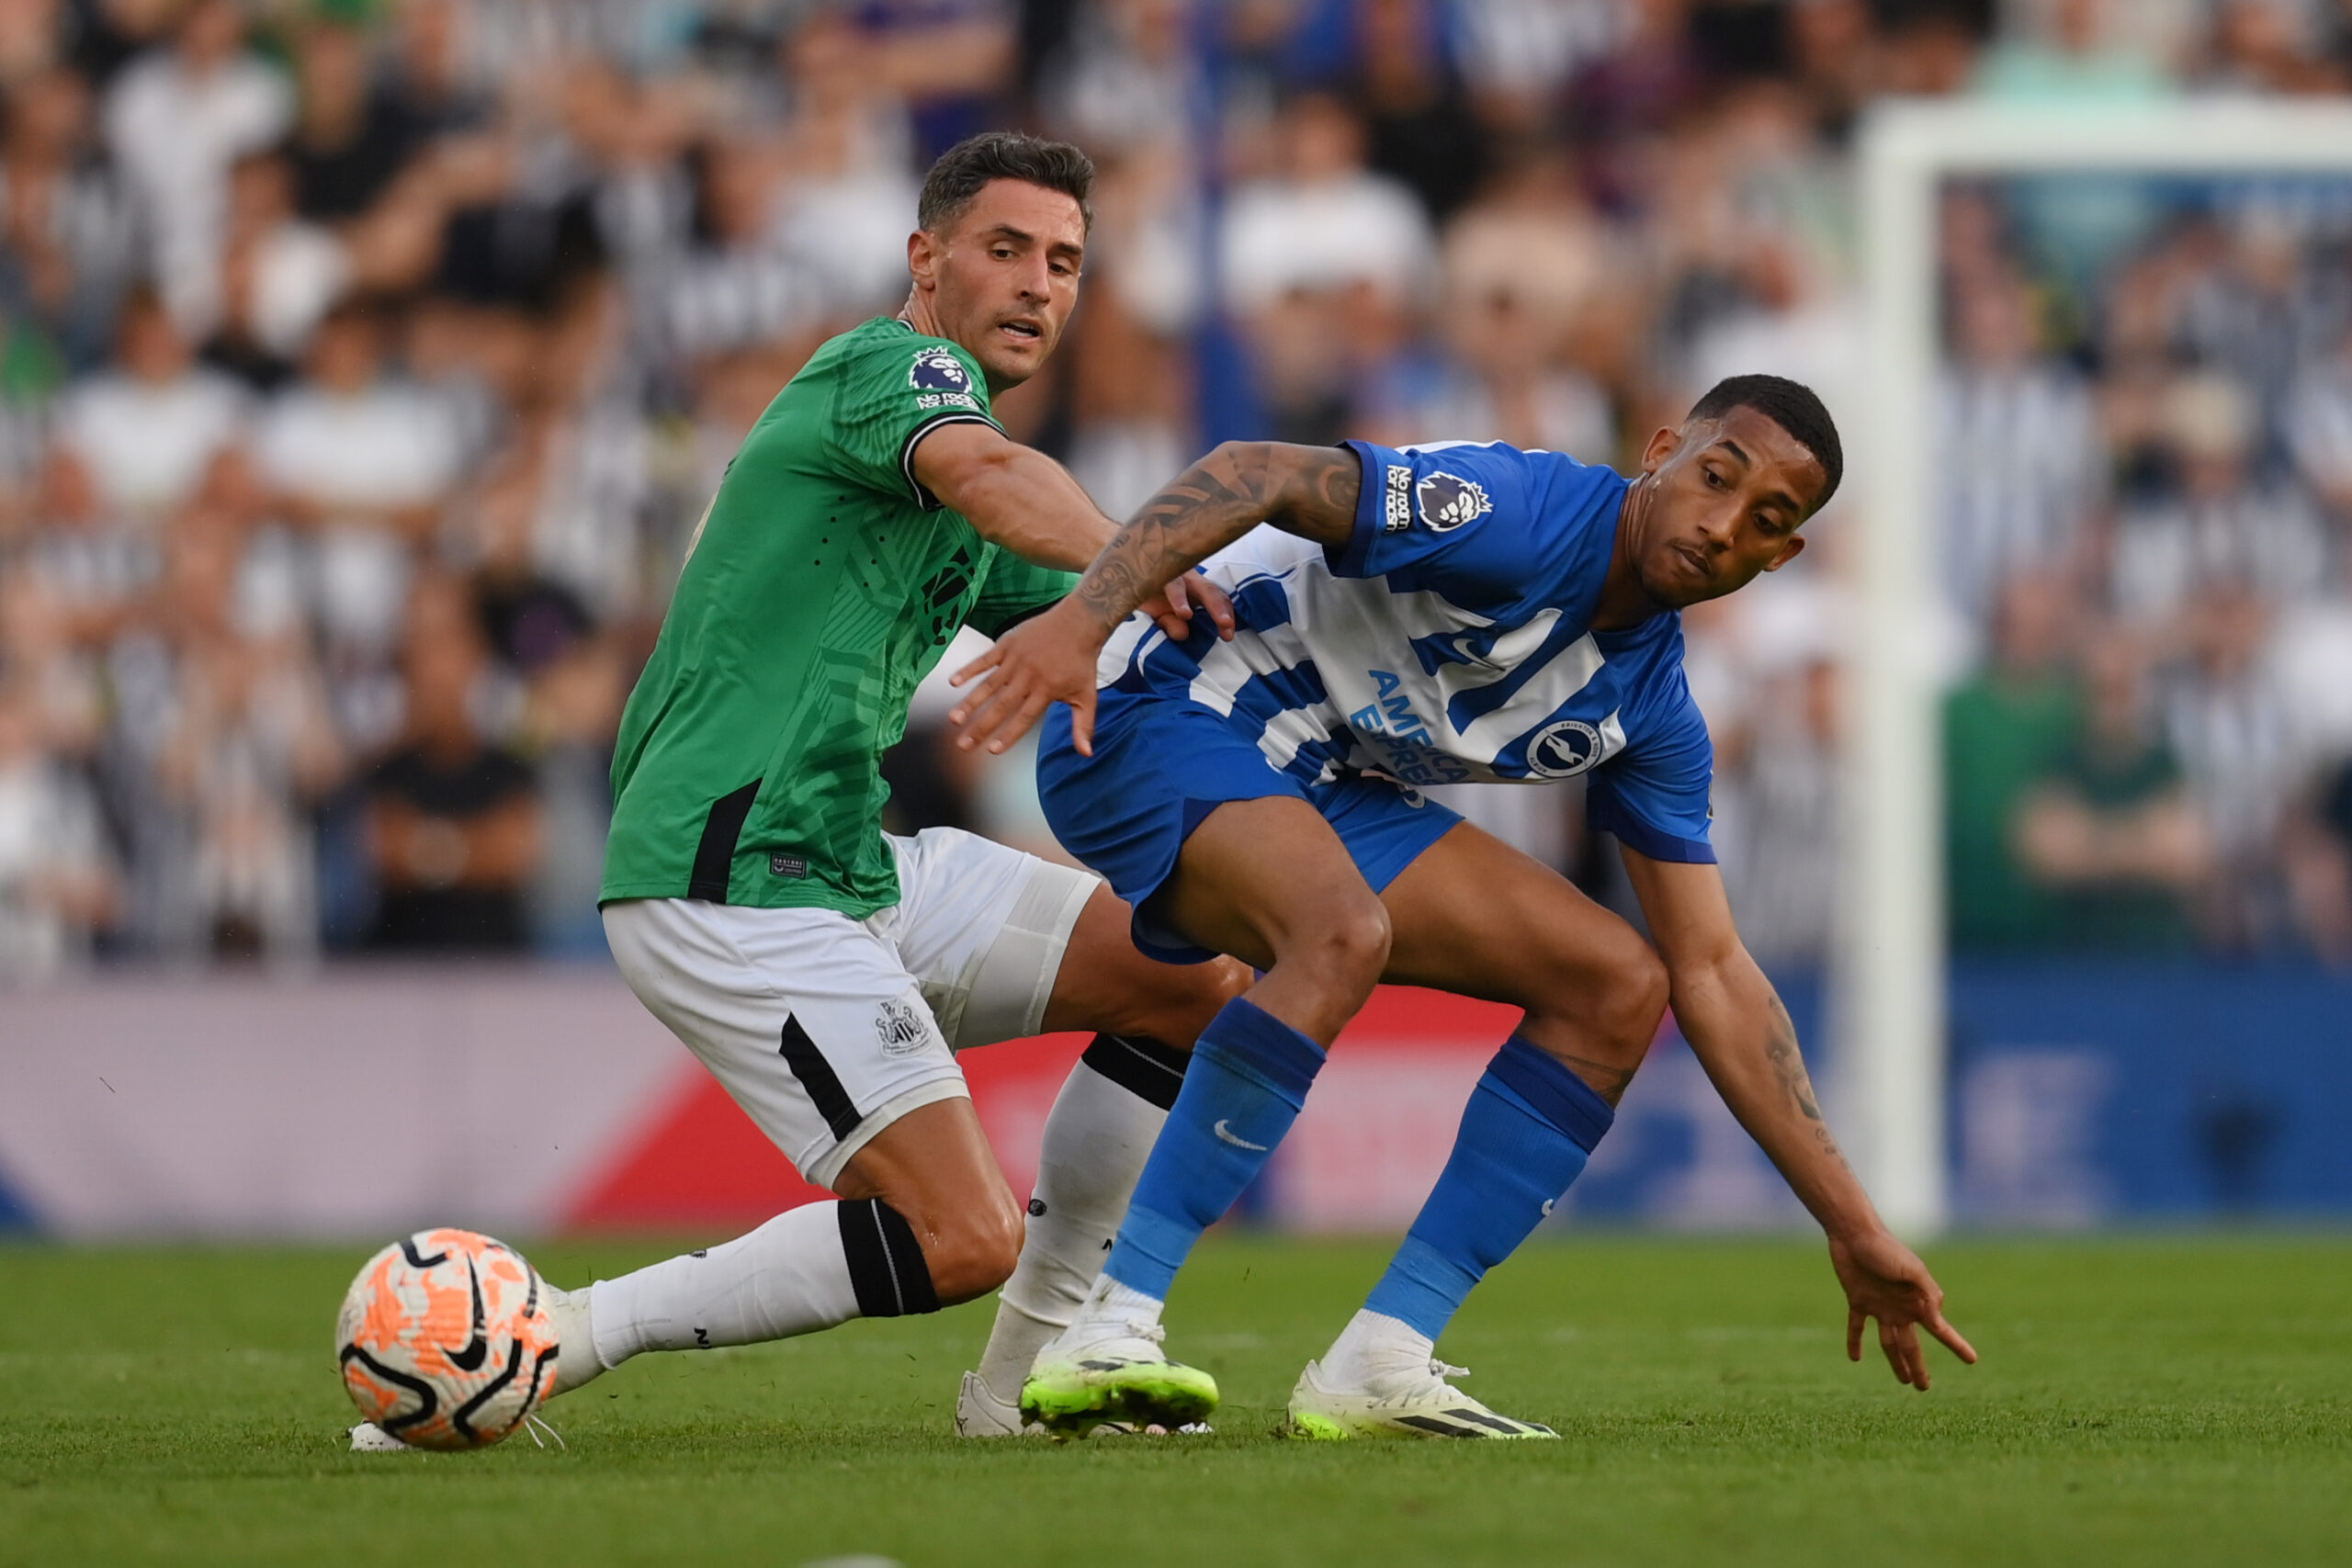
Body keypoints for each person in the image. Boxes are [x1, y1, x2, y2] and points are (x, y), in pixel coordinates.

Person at [349, 132, 1246, 1450]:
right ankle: (553, 1332)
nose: (1038, 285)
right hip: (726, 877)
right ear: (924, 258)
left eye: (1063, 261)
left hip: (842, 862)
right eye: (1005, 250)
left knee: (1183, 968)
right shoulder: (893, 374)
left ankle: (1034, 1379)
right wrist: (1140, 552)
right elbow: (1009, 491)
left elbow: (1100, 609)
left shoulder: (965, 464)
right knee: (959, 1236)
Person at [949, 376, 1979, 1438]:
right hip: (1150, 703)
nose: (1722, 527)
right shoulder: (1513, 513)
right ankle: (1111, 1324)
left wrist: (1852, 1227)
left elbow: (1714, 971)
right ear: (1662, 450)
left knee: (1617, 983)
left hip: (1322, 782)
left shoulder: (1652, 711)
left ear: (1782, 558)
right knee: (1339, 929)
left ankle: (1381, 1356)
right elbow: (1246, 472)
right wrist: (1080, 620)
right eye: (1715, 479)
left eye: (1766, 522)